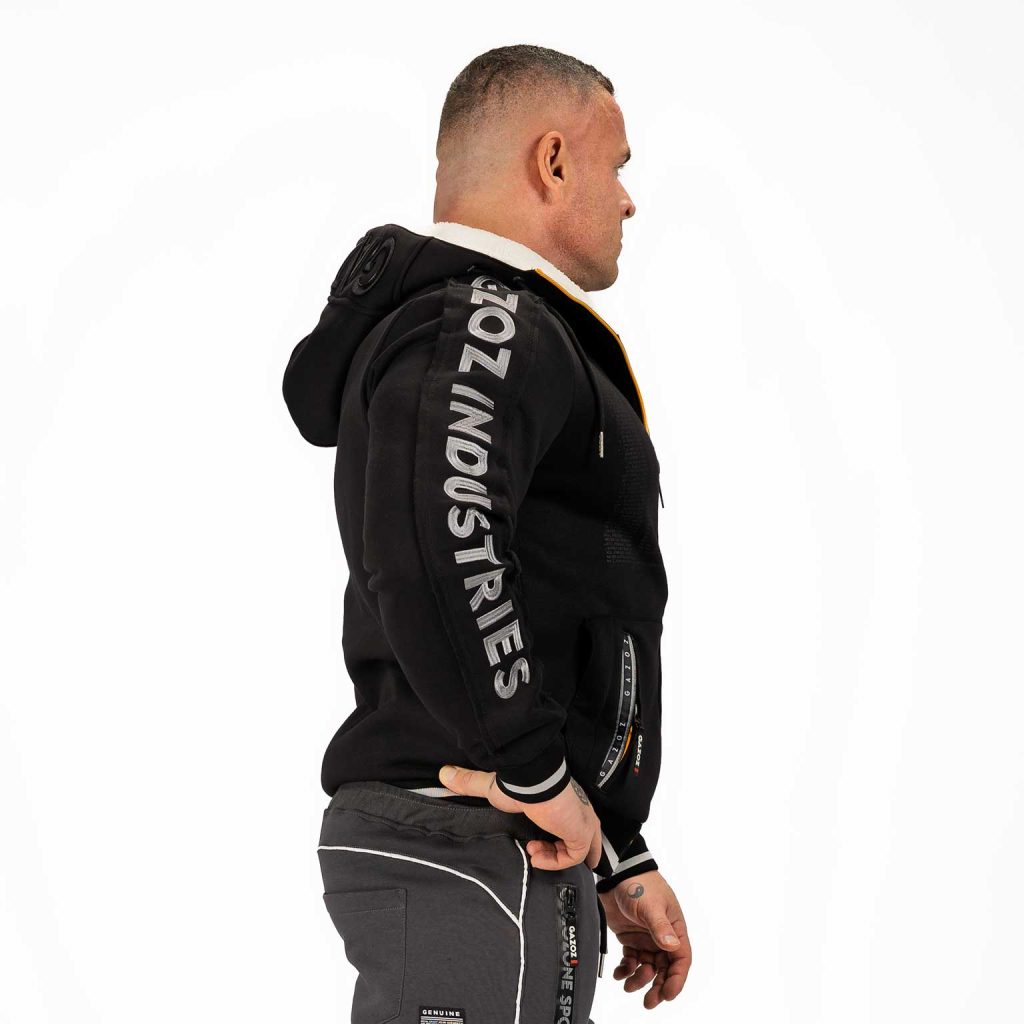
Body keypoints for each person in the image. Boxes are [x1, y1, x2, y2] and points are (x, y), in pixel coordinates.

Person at [283, 43, 691, 1022]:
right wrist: (534, 770)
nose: (628, 199)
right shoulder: (482, 318)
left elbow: (558, 592)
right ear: (552, 161)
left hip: (494, 841)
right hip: (471, 838)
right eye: (617, 165)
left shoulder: (486, 327)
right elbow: (440, 544)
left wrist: (615, 847)